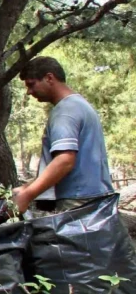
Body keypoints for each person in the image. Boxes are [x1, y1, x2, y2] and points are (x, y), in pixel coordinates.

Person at [12, 56, 113, 214]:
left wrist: (27, 195)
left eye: (32, 84)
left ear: (49, 78)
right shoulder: (80, 105)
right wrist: (26, 187)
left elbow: (65, 161)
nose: (29, 92)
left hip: (78, 201)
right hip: (95, 197)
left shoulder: (65, 112)